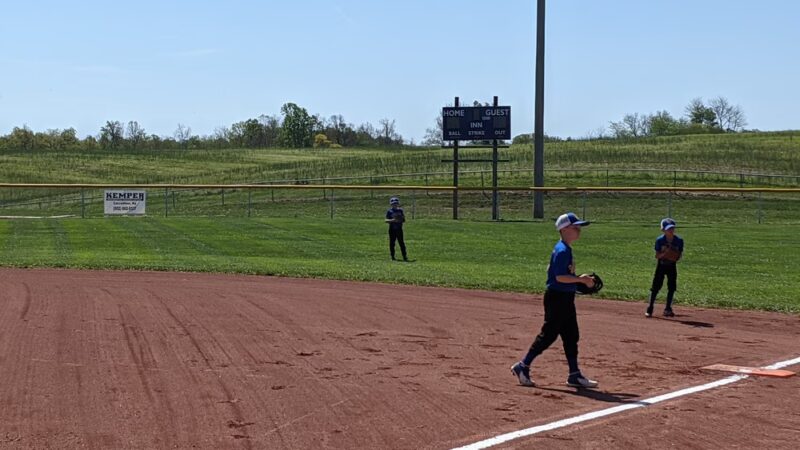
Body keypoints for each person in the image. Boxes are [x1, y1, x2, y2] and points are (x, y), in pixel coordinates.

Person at [511, 212, 599, 388]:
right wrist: (580, 280)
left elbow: (556, 273)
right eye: (576, 227)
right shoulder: (562, 250)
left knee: (571, 335)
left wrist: (576, 282)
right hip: (556, 298)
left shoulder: (565, 248)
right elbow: (559, 277)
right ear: (565, 229)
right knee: (548, 335)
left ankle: (574, 374)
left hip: (565, 297)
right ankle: (522, 366)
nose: (579, 230)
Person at [646, 218, 684, 318]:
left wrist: (675, 256)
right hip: (661, 265)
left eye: (672, 228)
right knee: (655, 287)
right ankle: (650, 308)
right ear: (663, 230)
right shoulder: (660, 240)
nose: (671, 231)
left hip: (672, 265)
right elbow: (657, 256)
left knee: (672, 287)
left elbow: (679, 256)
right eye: (668, 229)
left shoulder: (679, 241)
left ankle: (668, 308)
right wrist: (665, 253)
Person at [385, 197, 408, 261]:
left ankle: (404, 256)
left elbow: (403, 220)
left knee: (401, 243)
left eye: (396, 203)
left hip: (399, 229)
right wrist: (393, 220)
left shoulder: (400, 211)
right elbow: (386, 220)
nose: (395, 205)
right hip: (392, 229)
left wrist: (400, 219)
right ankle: (392, 256)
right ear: (391, 204)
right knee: (392, 243)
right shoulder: (389, 211)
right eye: (393, 204)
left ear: (398, 204)